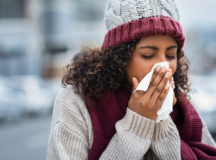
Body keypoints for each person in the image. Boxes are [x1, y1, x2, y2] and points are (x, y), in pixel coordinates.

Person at [46, 0, 216, 159]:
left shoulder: (181, 105)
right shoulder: (76, 102)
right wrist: (138, 124)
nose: (164, 66)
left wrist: (161, 121)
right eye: (148, 55)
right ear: (120, 58)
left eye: (171, 55)